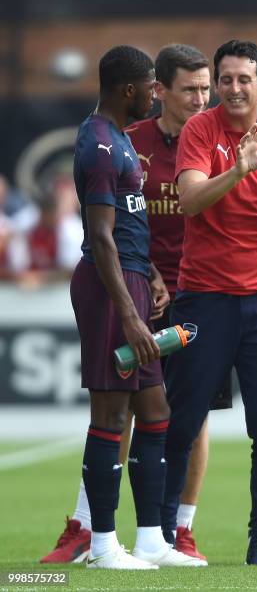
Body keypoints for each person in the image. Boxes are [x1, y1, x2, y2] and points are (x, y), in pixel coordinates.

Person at [40, 44, 221, 567]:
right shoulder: (99, 146)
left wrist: (153, 273)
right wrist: (129, 314)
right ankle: (100, 544)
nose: (153, 95)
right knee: (112, 414)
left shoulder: (117, 139)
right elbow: (100, 237)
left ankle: (151, 540)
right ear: (129, 89)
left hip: (138, 281)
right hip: (108, 289)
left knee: (156, 410)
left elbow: (128, 225)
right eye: (149, 86)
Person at [160, 39, 257, 565]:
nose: (232, 88)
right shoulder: (201, 129)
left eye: (243, 79)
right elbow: (189, 199)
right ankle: (162, 536)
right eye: (224, 79)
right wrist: (240, 171)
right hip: (204, 299)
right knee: (182, 420)